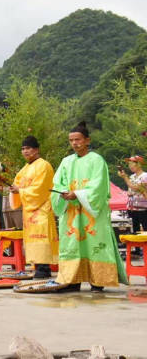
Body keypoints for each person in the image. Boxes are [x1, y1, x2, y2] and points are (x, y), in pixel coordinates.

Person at [50, 122, 127, 291]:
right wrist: (63, 193)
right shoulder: (66, 162)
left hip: (91, 212)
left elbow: (98, 187)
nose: (74, 143)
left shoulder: (96, 160)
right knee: (72, 245)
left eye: (78, 139)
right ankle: (71, 280)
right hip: (71, 211)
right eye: (71, 140)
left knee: (94, 243)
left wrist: (77, 194)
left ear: (87, 140)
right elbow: (58, 182)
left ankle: (97, 280)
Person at [9, 136, 59, 279]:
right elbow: (17, 184)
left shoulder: (44, 165)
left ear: (36, 149)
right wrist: (9, 187)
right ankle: (38, 267)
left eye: (28, 148)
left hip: (41, 208)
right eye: (23, 149)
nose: (25, 151)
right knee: (33, 240)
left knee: (41, 239)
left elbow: (40, 190)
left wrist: (21, 191)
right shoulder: (26, 168)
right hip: (30, 210)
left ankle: (43, 269)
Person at [118, 156, 147, 235]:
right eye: (129, 164)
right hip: (133, 208)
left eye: (132, 164)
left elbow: (135, 187)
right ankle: (137, 247)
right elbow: (130, 190)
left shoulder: (145, 176)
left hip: (144, 209)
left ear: (139, 164)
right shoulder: (131, 177)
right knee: (135, 231)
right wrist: (129, 193)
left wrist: (124, 177)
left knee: (145, 230)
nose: (130, 166)